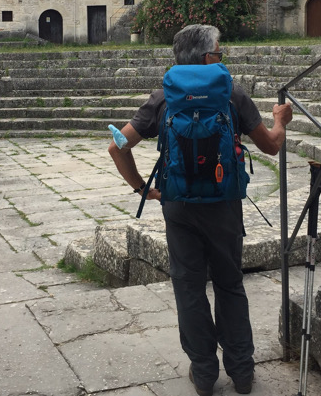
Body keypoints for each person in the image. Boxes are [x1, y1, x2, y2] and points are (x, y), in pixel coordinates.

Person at [108, 24, 292, 396]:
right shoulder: (232, 95)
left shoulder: (163, 98)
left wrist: (142, 188)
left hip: (178, 206)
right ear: (208, 57)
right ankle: (241, 374)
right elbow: (272, 146)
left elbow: (117, 146)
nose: (222, 58)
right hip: (223, 206)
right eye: (219, 52)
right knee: (229, 284)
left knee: (189, 288)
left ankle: (204, 375)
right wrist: (279, 120)